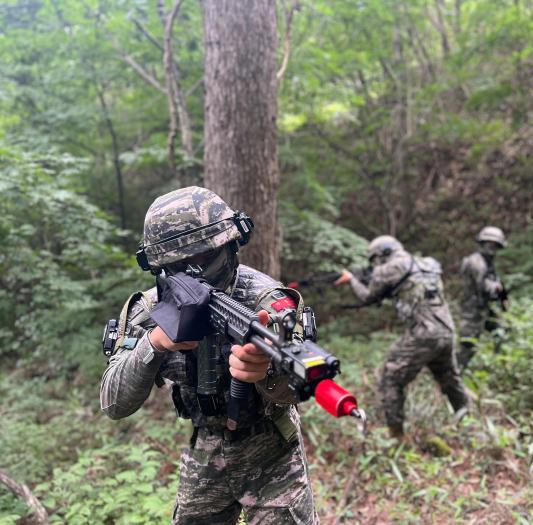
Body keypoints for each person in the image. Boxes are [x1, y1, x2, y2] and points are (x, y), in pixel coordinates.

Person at [100, 186, 318, 525]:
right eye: (177, 265)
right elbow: (113, 402)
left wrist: (266, 373)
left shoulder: (266, 302)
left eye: (202, 259)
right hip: (205, 449)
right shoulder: (149, 308)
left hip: (272, 449)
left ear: (230, 246)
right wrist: (154, 343)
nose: (193, 274)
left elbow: (301, 383)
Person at [334, 235, 469, 439]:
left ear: (382, 255)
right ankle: (467, 424)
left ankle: (396, 438)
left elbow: (367, 297)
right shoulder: (426, 265)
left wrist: (352, 279)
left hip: (424, 333)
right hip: (447, 331)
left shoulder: (388, 269)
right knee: (450, 379)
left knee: (390, 379)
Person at [457, 226, 507, 371]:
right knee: (467, 346)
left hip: (486, 308)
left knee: (501, 333)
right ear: (482, 243)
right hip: (473, 310)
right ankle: (453, 377)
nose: (492, 248)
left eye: (495, 245)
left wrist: (502, 296)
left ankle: (497, 369)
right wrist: (497, 288)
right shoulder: (476, 262)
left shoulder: (488, 261)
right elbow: (484, 285)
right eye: (489, 244)